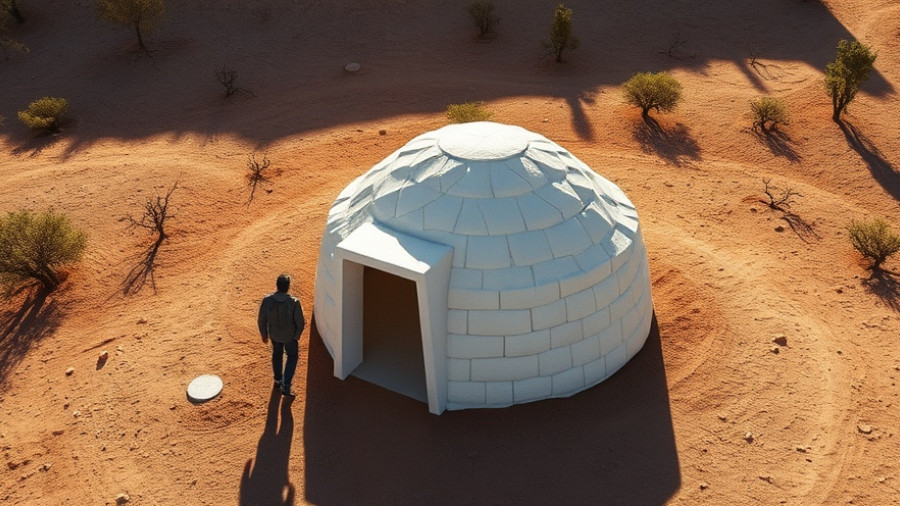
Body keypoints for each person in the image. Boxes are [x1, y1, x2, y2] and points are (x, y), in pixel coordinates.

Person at [258, 274, 305, 397]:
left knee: (277, 355)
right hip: (290, 337)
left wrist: (264, 335)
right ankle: (286, 386)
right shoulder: (294, 302)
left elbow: (262, 320)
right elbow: (300, 322)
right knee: (292, 357)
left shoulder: (267, 301)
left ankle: (278, 380)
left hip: (274, 335)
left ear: (277, 285)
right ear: (288, 287)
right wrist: (296, 336)